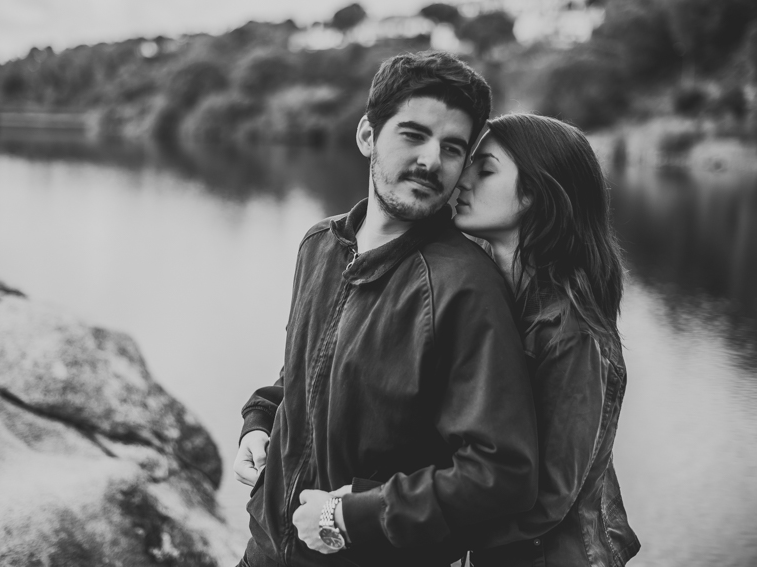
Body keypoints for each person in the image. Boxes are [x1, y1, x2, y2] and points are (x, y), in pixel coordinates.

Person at [233, 51, 539, 567]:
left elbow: (502, 472)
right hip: (264, 551)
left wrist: (354, 514)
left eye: (453, 148)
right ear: (368, 136)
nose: (430, 161)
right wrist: (261, 418)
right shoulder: (320, 245)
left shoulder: (463, 285)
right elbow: (308, 368)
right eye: (412, 135)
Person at [453, 113, 641, 567]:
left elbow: (549, 500)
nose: (461, 179)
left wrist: (420, 529)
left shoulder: (570, 331)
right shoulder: (483, 290)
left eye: (485, 169)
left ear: (536, 192)